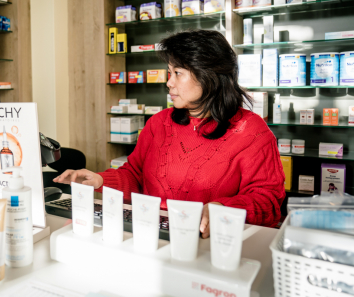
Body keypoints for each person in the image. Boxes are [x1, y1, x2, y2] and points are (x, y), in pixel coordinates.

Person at [54, 29, 286, 238]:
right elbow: (135, 175)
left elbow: (268, 201)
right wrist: (100, 180)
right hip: (152, 240)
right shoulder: (159, 124)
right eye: (169, 72)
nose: (169, 83)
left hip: (212, 247)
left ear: (209, 75)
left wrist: (223, 210)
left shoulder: (251, 131)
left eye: (178, 73)